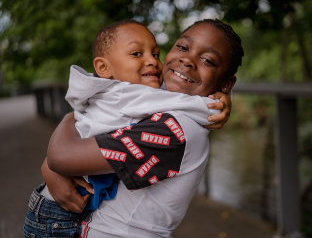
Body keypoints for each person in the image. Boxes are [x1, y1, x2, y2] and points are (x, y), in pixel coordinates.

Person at [23, 19, 234, 238]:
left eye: (208, 60)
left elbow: (62, 155)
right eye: (182, 47)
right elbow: (61, 154)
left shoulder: (174, 130)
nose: (187, 60)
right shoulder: (145, 94)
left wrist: (218, 102)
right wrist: (218, 101)